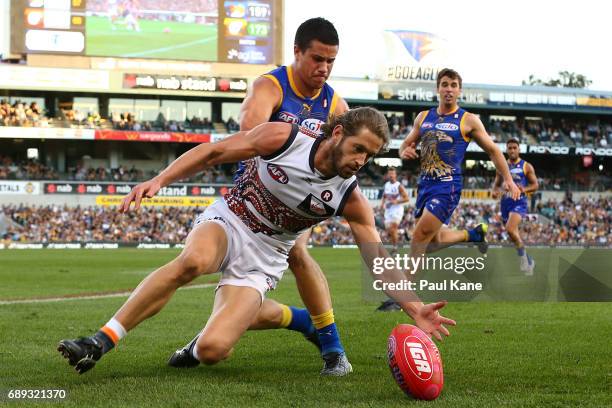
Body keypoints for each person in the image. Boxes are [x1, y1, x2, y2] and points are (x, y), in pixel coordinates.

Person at [57, 107, 456, 376]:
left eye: (368, 157)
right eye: (357, 149)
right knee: (192, 262)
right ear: (337, 133)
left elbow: (378, 259)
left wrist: (416, 308)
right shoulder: (284, 138)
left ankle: (298, 319)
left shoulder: (349, 197)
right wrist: (158, 180)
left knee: (212, 351)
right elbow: (214, 152)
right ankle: (102, 339)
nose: (359, 162)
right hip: (230, 219)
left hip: (266, 257)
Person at [175, 17, 353, 375]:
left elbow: (347, 155)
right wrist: (297, 145)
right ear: (297, 52)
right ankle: (301, 322)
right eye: (318, 58)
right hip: (254, 192)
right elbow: (250, 133)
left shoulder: (337, 105)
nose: (324, 68)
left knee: (299, 253)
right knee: (221, 298)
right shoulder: (270, 86)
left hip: (296, 198)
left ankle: (333, 349)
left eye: (331, 61)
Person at [376, 68, 521, 312]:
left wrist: (509, 179)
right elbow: (405, 145)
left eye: (454, 85)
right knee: (433, 243)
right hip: (425, 186)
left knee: (418, 237)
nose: (449, 89)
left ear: (459, 90)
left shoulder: (468, 120)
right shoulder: (423, 117)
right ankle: (473, 235)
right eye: (445, 84)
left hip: (448, 186)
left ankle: (403, 297)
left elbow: (494, 151)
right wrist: (404, 152)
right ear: (438, 89)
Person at [493, 138, 538, 275]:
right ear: (506, 150)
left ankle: (524, 259)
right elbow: (496, 185)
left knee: (511, 229)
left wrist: (524, 189)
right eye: (510, 148)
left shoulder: (526, 166)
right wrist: (495, 191)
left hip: (519, 203)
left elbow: (535, 185)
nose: (512, 150)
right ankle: (528, 260)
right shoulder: (502, 166)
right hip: (505, 204)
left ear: (519, 149)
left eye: (514, 148)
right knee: (512, 234)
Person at [379, 168, 409, 252]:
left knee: (392, 228)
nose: (391, 175)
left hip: (397, 210)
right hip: (388, 210)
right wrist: (382, 204)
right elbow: (384, 196)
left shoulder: (399, 186)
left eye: (392, 174)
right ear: (387, 175)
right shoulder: (386, 185)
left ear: (395, 175)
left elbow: (407, 198)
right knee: (389, 231)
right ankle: (403, 231)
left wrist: (396, 201)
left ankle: (395, 249)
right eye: (390, 174)